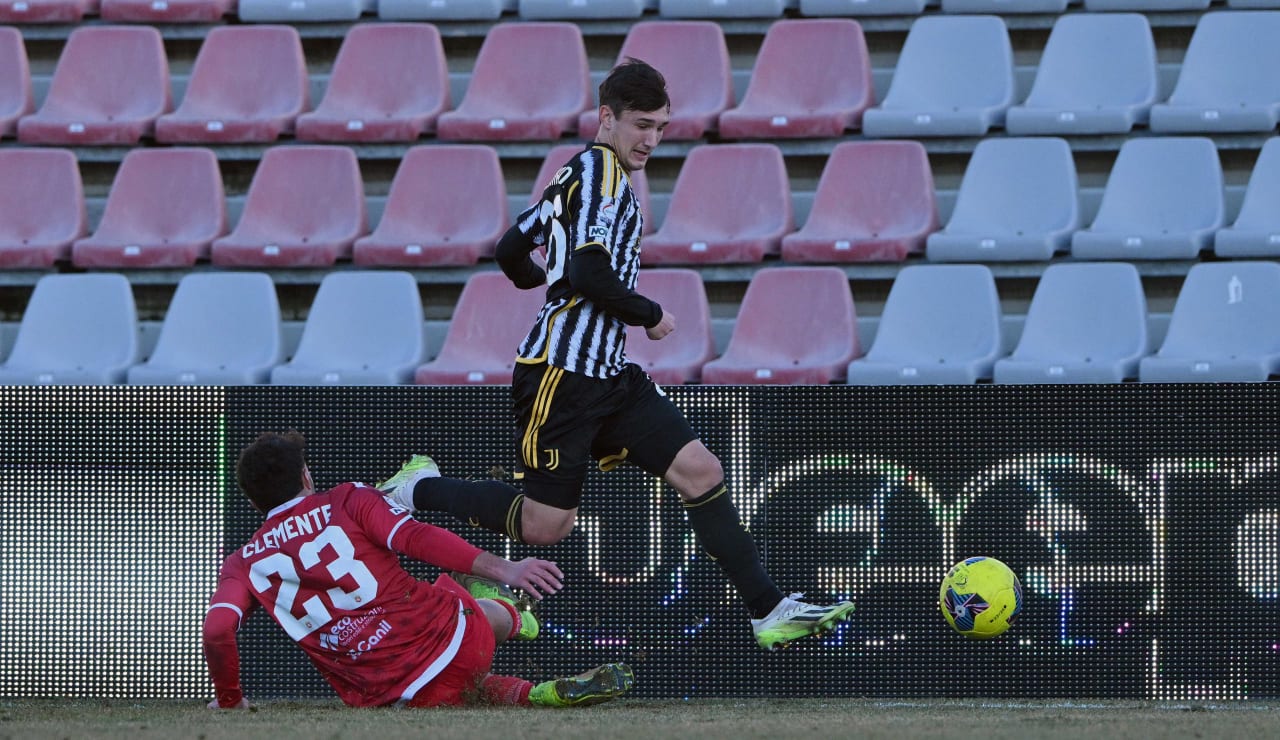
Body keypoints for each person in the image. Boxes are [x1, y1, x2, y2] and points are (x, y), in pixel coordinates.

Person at [378, 59, 855, 651]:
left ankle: (768, 609)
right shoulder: (601, 174)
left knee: (701, 470)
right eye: (641, 125)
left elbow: (509, 250)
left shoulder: (572, 174)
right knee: (545, 526)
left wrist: (548, 279)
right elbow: (586, 271)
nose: (652, 139)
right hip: (562, 375)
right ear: (607, 118)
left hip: (608, 375)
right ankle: (417, 489)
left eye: (661, 126)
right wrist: (648, 314)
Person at [203, 431, 634, 710]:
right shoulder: (349, 498)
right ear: (306, 475)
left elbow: (218, 629)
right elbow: (418, 539)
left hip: (384, 695)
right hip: (456, 642)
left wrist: (229, 700)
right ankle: (514, 616)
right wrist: (508, 568)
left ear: (254, 501)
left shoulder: (242, 563)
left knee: (457, 694)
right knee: (469, 615)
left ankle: (536, 693)